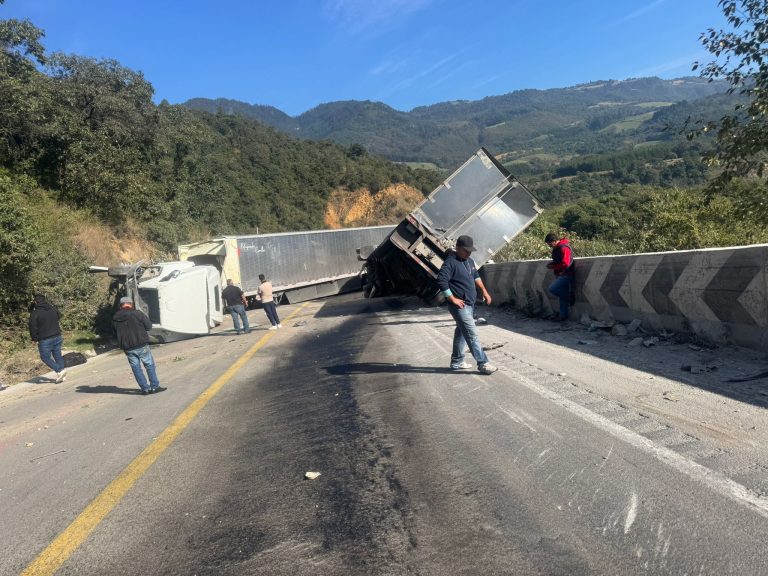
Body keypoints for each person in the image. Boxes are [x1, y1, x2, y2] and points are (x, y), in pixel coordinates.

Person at [437, 235, 497, 375]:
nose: (468, 253)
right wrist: (452, 299)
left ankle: (457, 361)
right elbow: (441, 281)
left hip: (470, 304)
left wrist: (484, 291)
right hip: (460, 306)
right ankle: (483, 363)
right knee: (471, 334)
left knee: (461, 333)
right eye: (465, 250)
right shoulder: (450, 262)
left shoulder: (469, 261)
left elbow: (476, 276)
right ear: (457, 247)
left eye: (470, 251)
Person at [112, 296, 164, 395]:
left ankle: (145, 389)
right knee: (149, 365)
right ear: (131, 304)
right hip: (141, 344)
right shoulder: (137, 313)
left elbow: (114, 333)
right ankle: (154, 386)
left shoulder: (115, 318)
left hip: (127, 348)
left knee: (136, 368)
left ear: (120, 305)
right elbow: (148, 326)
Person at [28, 294, 66, 383]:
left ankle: (60, 371)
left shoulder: (35, 313)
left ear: (35, 302)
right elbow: (59, 316)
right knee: (57, 355)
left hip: (45, 339)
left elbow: (32, 327)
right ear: (44, 300)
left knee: (45, 357)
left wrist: (34, 339)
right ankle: (62, 375)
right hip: (57, 335)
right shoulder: (52, 308)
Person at [545, 232, 576, 321]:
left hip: (566, 274)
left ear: (554, 241)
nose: (549, 246)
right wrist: (552, 264)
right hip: (561, 274)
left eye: (550, 243)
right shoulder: (557, 248)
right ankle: (563, 315)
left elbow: (565, 264)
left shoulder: (564, 247)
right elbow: (558, 261)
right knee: (561, 296)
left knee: (552, 289)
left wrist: (553, 267)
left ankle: (569, 297)